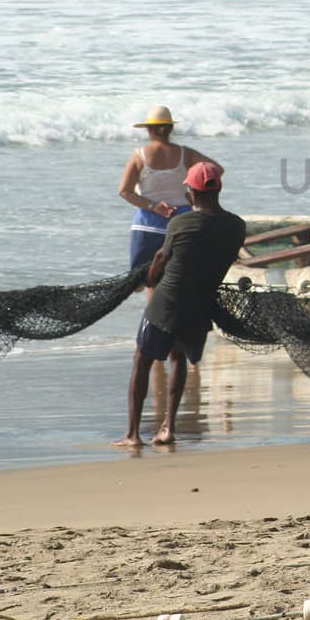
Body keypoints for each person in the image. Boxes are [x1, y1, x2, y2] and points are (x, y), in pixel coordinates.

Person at [116, 162, 246, 449]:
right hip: (201, 306)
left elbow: (161, 261)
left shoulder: (181, 223)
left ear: (190, 193)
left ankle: (133, 434)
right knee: (179, 358)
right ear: (219, 188)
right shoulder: (237, 225)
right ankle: (168, 428)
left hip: (168, 303)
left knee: (142, 360)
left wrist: (149, 279)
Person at [117, 106, 223, 296]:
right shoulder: (186, 153)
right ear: (170, 129)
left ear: (149, 129)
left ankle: (151, 323)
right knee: (178, 279)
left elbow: (124, 191)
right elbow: (216, 170)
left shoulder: (139, 156)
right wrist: (191, 195)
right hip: (182, 222)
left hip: (147, 225)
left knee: (149, 281)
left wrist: (153, 206)